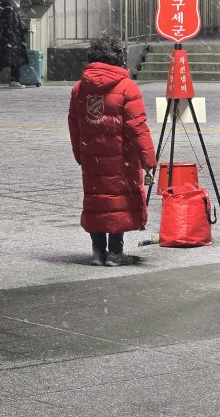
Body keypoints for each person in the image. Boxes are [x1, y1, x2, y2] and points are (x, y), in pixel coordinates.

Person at [68, 34, 157, 266]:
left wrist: (80, 154)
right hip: (121, 159)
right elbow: (138, 127)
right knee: (118, 201)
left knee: (97, 200)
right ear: (117, 57)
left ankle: (98, 252)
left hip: (91, 157)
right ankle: (116, 253)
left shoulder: (79, 89)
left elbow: (74, 125)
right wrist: (148, 160)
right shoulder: (127, 88)